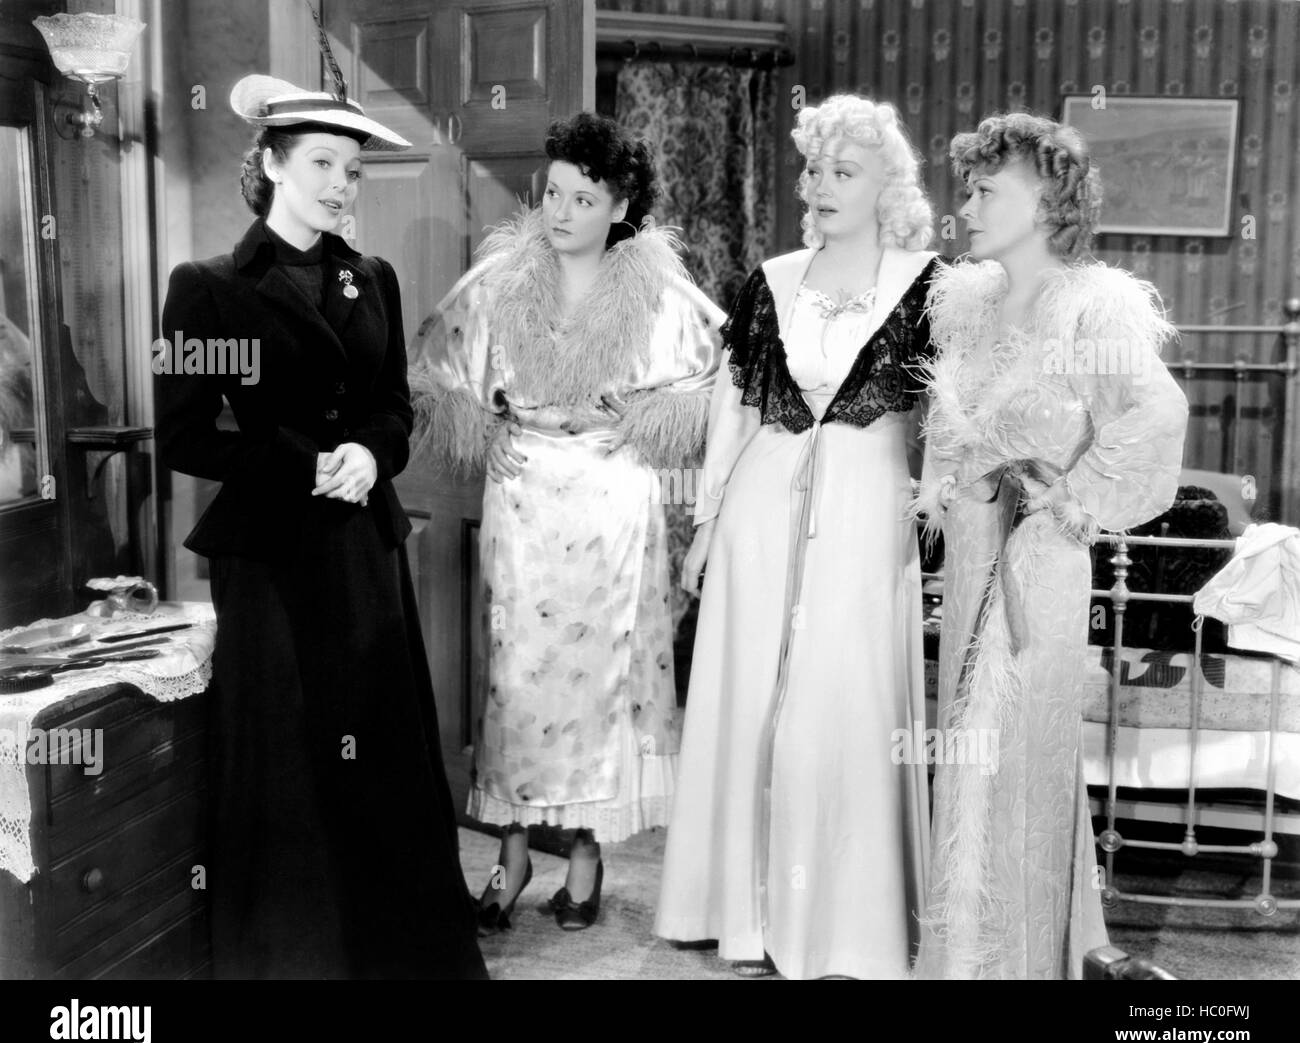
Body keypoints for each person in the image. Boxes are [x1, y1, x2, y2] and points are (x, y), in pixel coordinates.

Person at [156, 71, 487, 980]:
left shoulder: (369, 276)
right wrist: (302, 463)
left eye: (353, 168)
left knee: (375, 748)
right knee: (292, 755)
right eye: (323, 163)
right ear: (271, 164)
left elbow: (392, 407)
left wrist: (376, 455)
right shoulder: (208, 287)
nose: (343, 184)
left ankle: (396, 954)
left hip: (361, 545)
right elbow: (186, 432)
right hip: (270, 555)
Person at [411, 113, 721, 933]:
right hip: (527, 494)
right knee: (517, 680)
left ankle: (584, 860)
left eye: (583, 198)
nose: (560, 211)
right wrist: (487, 430)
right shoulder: (498, 283)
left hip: (614, 498)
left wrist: (649, 418)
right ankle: (510, 856)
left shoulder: (658, 292)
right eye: (553, 193)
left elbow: (718, 378)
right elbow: (436, 367)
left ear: (619, 209)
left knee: (600, 685)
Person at [654, 95, 939, 979]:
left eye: (841, 171)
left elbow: (955, 417)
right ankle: (739, 913)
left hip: (866, 514)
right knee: (748, 702)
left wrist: (938, 510)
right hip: (759, 513)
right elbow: (732, 415)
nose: (817, 185)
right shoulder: (769, 280)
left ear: (888, 186)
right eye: (811, 168)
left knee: (841, 707)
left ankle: (844, 926)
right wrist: (702, 531)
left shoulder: (934, 284)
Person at [912, 113, 1189, 979]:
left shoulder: (1092, 306)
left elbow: (1156, 414)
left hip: (1041, 564)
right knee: (967, 755)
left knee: (1019, 763)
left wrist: (1070, 503)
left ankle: (1018, 963)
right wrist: (940, 489)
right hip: (969, 557)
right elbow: (953, 434)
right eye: (967, 188)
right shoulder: (971, 305)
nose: (966, 206)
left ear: (1047, 201)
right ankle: (968, 954)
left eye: (987, 189)